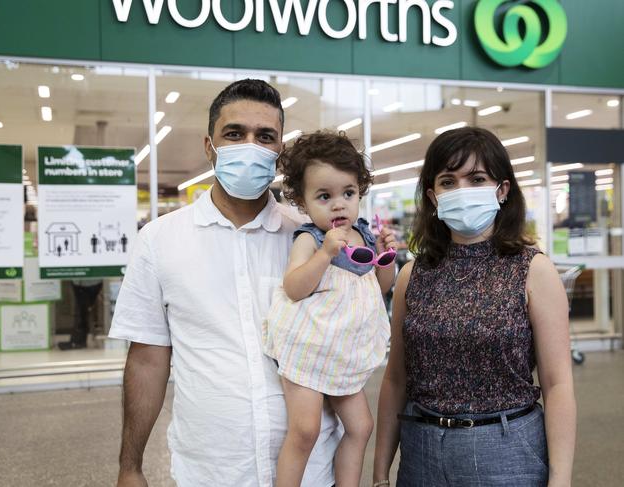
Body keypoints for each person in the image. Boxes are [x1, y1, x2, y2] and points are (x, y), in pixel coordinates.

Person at [108, 79, 341, 487]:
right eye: (234, 134)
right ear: (209, 146)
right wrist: (131, 466)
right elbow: (146, 359)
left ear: (279, 151)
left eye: (264, 136)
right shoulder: (160, 240)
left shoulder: (309, 237)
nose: (249, 145)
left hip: (312, 469)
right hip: (210, 470)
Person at [373, 127, 576, 487]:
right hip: (420, 451)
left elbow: (557, 383)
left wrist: (560, 481)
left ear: (502, 190)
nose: (462, 191)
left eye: (477, 178)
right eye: (448, 182)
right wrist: (379, 474)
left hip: (506, 448)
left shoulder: (532, 269)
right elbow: (395, 380)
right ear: (433, 197)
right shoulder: (412, 274)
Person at [263, 131, 395, 487]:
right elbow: (293, 287)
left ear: (359, 192)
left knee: (361, 426)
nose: (339, 205)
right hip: (309, 350)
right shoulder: (311, 238)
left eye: (348, 193)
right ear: (303, 202)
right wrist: (325, 255)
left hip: (343, 352)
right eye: (325, 196)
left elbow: (380, 288)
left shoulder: (364, 235)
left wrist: (385, 257)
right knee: (305, 430)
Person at [58, 278, 103, 350]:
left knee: (82, 311)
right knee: (81, 311)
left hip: (90, 281)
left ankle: (77, 341)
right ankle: (79, 341)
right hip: (79, 280)